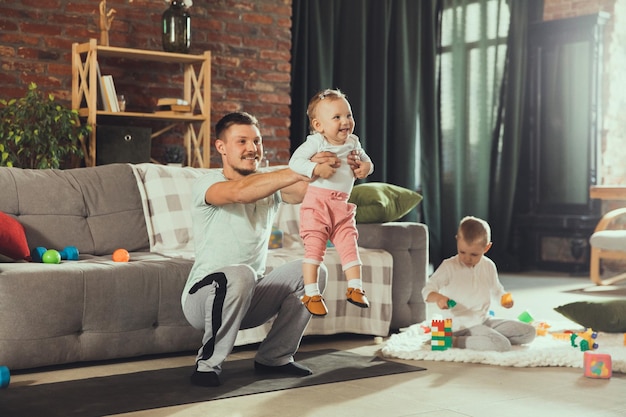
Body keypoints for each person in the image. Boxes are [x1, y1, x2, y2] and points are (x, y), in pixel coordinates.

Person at [182, 111, 350, 387]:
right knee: (240, 273)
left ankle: (275, 358)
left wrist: (333, 162)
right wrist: (300, 168)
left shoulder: (270, 183)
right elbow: (239, 192)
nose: (252, 148)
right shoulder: (207, 183)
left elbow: (302, 191)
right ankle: (207, 365)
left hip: (250, 298)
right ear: (221, 147)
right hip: (202, 299)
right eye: (242, 141)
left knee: (312, 271)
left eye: (257, 141)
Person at [288, 88, 374, 317]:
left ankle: (355, 287)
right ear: (319, 125)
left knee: (349, 244)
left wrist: (366, 168)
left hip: (342, 206)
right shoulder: (316, 142)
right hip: (317, 205)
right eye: (337, 117)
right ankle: (311, 293)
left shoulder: (354, 142)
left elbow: (367, 162)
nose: (345, 121)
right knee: (314, 249)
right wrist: (315, 168)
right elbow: (295, 162)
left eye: (348, 115)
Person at [421, 216, 536, 352]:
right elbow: (427, 291)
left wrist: (504, 299)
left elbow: (497, 290)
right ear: (458, 240)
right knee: (501, 345)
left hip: (484, 320)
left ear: (486, 247)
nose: (467, 258)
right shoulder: (448, 266)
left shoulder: (488, 266)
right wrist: (439, 298)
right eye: (462, 252)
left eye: (474, 254)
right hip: (460, 326)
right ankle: (452, 341)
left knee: (529, 332)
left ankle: (484, 339)